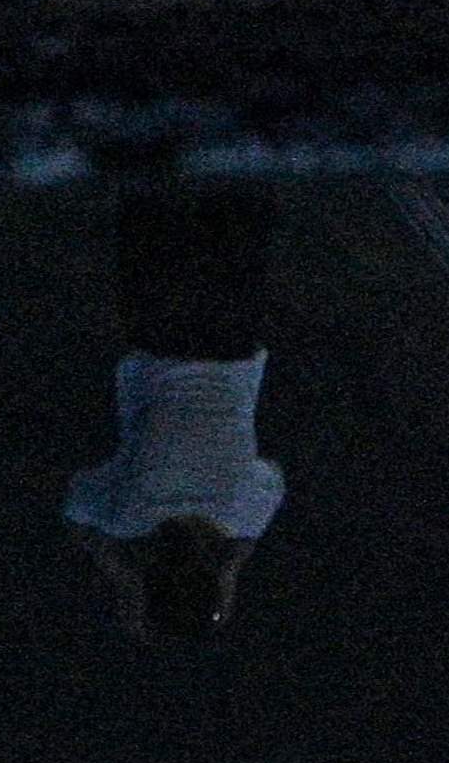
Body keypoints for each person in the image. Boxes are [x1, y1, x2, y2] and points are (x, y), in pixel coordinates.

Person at [69, 180, 286, 637]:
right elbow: (76, 507)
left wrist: (230, 572)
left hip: (233, 341)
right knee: (151, 199)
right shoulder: (124, 514)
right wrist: (123, 577)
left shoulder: (244, 512)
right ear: (150, 582)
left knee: (233, 198)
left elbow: (274, 476)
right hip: (159, 337)